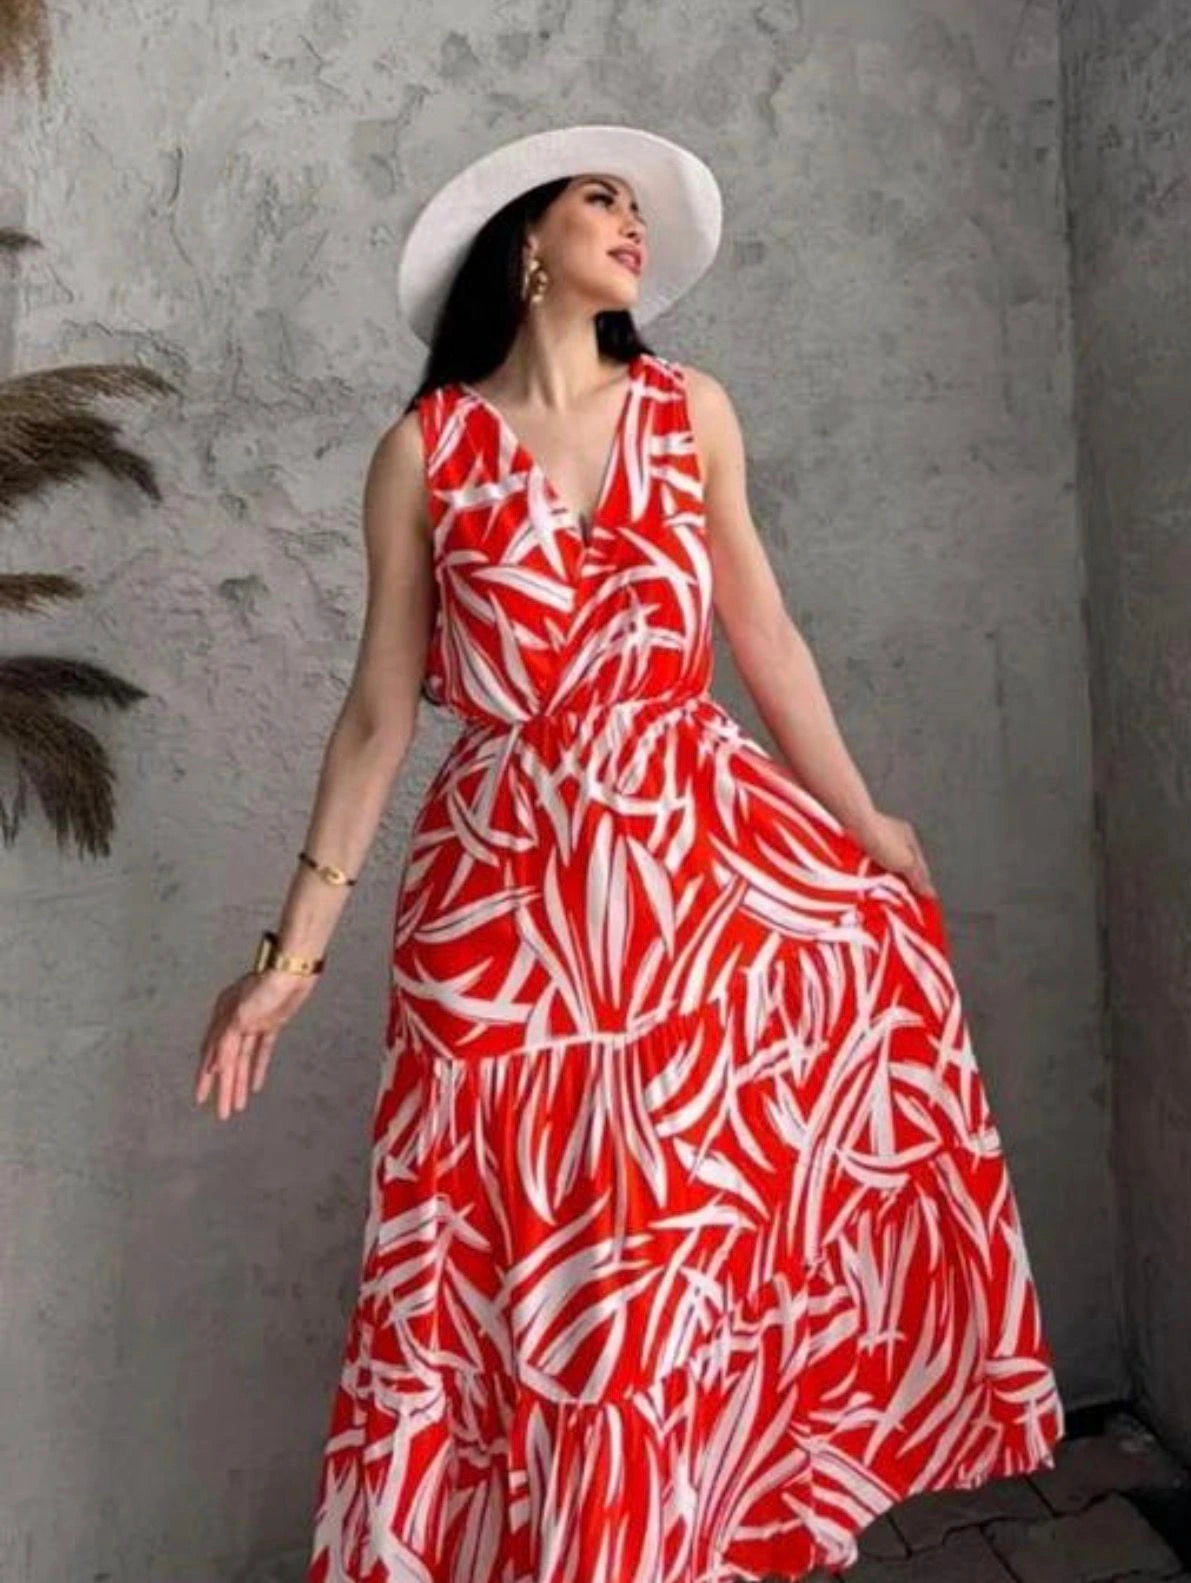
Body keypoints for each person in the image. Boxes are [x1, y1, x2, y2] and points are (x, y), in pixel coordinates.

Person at [195, 124, 1065, 1583]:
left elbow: (762, 634)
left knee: (677, 1248)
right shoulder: (426, 452)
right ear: (527, 242)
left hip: (694, 879)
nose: (631, 222)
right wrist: (293, 957)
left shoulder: (690, 410)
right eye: (602, 197)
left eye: (636, 207)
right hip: (501, 908)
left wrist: (861, 817)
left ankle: (686, 1537)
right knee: (527, 1255)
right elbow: (377, 716)